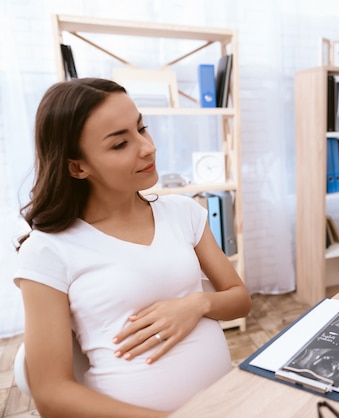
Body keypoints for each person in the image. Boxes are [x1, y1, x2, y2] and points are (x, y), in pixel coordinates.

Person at [14, 77, 252, 417]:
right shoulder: (48, 251)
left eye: (142, 128)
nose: (147, 148)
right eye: (119, 144)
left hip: (228, 403)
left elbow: (240, 300)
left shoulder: (184, 212)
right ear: (77, 166)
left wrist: (196, 304)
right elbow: (51, 396)